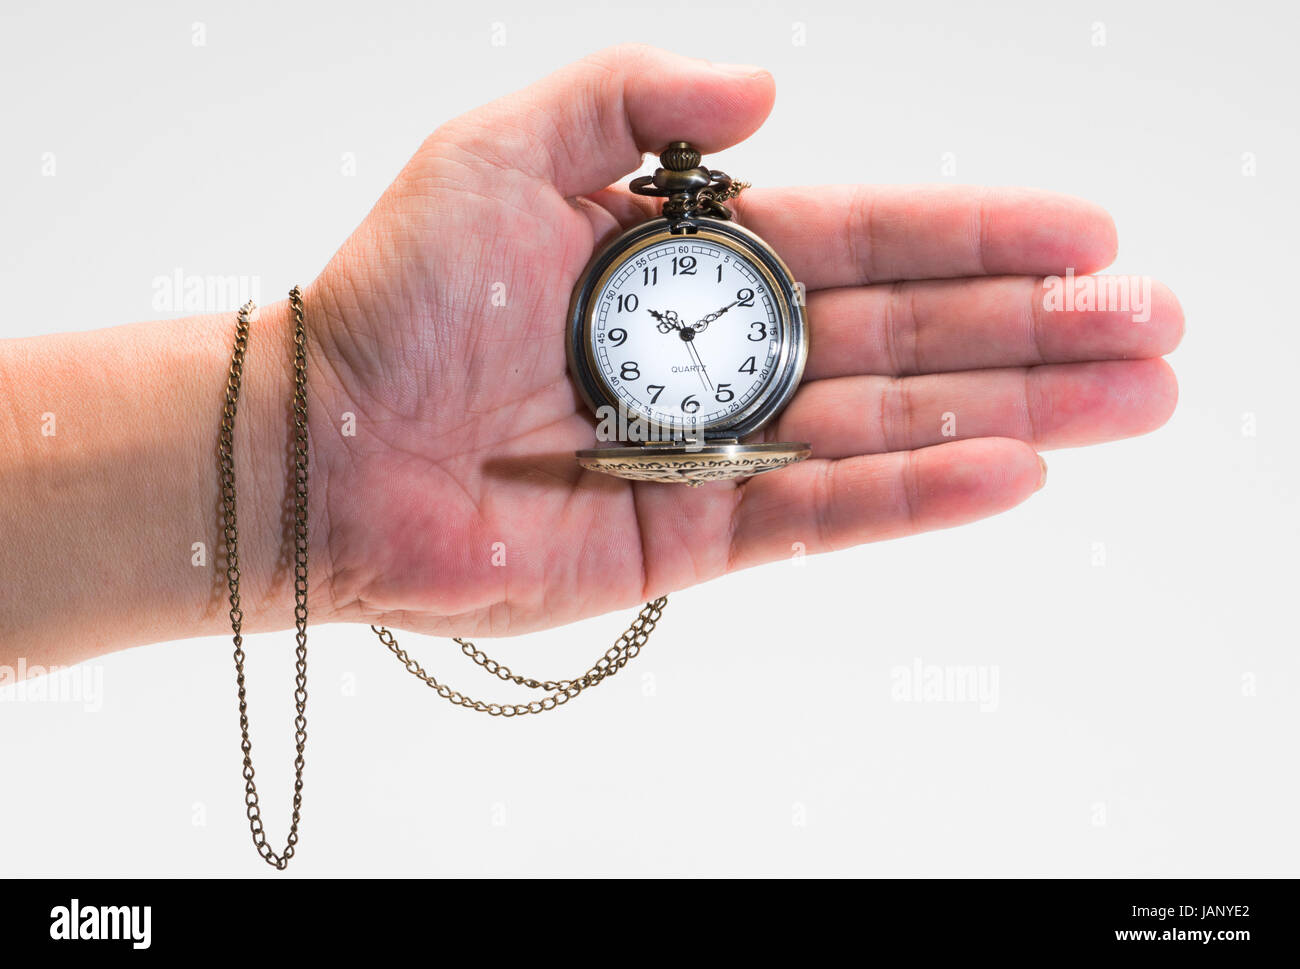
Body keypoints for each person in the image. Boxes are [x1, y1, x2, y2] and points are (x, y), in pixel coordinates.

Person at [0, 45, 1182, 669]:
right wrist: (313, 430)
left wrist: (292, 472)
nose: (678, 330)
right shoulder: (691, 293)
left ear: (758, 320)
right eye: (659, 324)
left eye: (707, 326)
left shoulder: (744, 293)